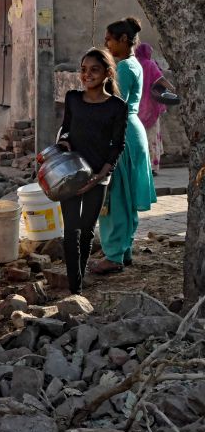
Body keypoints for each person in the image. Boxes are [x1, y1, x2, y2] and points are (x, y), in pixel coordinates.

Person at [56, 49, 127, 294]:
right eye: (83, 69)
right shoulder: (73, 98)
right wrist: (64, 141)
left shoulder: (117, 107)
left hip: (99, 177)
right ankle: (75, 287)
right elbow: (65, 129)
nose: (87, 75)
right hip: (71, 175)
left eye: (94, 69)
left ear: (107, 73)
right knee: (71, 231)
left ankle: (80, 275)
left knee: (87, 230)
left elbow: (117, 145)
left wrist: (100, 175)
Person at [94, 17, 157, 274]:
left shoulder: (122, 69)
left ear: (122, 39)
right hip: (133, 132)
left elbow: (112, 104)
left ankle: (114, 255)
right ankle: (124, 250)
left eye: (109, 38)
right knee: (125, 197)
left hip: (121, 134)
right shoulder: (134, 64)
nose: (106, 43)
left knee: (114, 198)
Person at [134, 43, 174, 175]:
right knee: (151, 137)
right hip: (150, 106)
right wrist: (174, 89)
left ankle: (139, 166)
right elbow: (160, 79)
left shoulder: (133, 64)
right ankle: (151, 167)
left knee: (138, 138)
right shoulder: (150, 64)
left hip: (136, 107)